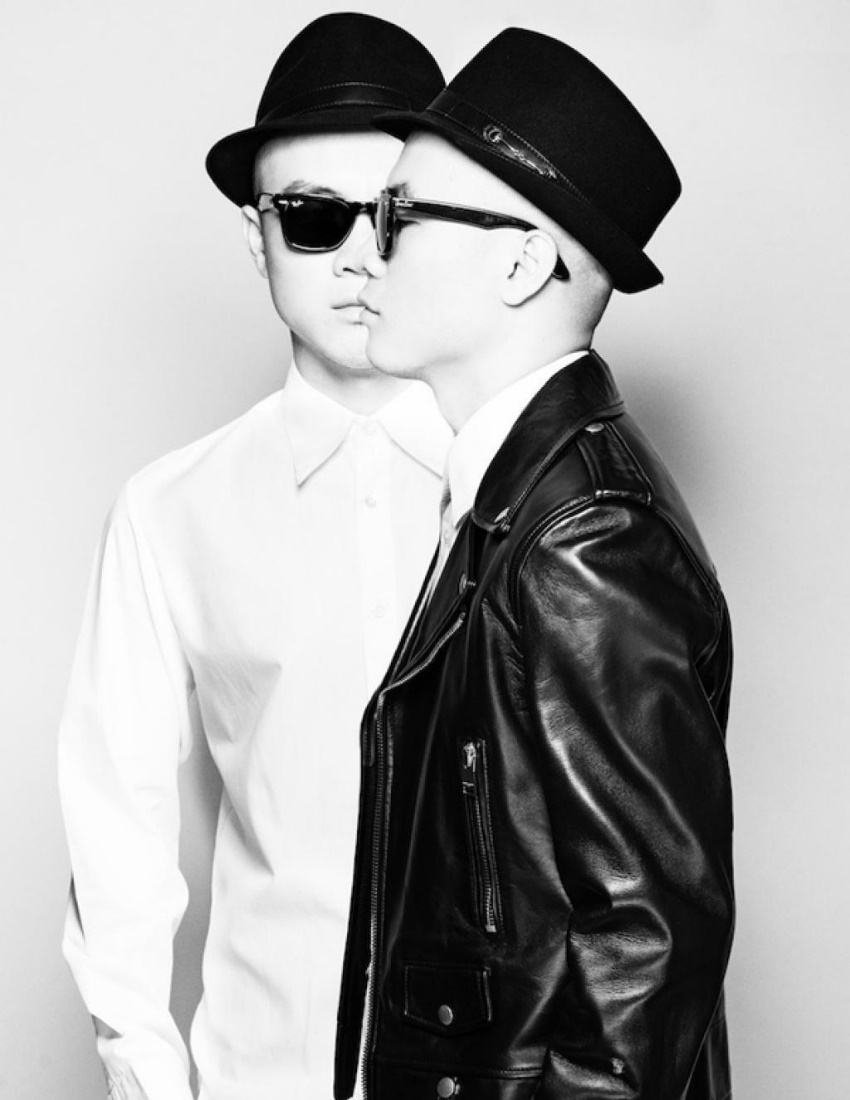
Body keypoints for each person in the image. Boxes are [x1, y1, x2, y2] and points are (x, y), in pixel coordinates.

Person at [335, 28, 734, 1100]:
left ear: (519, 261)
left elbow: (648, 942)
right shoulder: (506, 499)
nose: (362, 254)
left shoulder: (584, 530)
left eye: (398, 216)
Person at [58, 15, 450, 1100]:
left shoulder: (534, 492)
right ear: (256, 234)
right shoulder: (169, 511)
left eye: (398, 217)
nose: (363, 257)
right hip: (262, 1072)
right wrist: (149, 1077)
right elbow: (117, 825)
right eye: (317, 218)